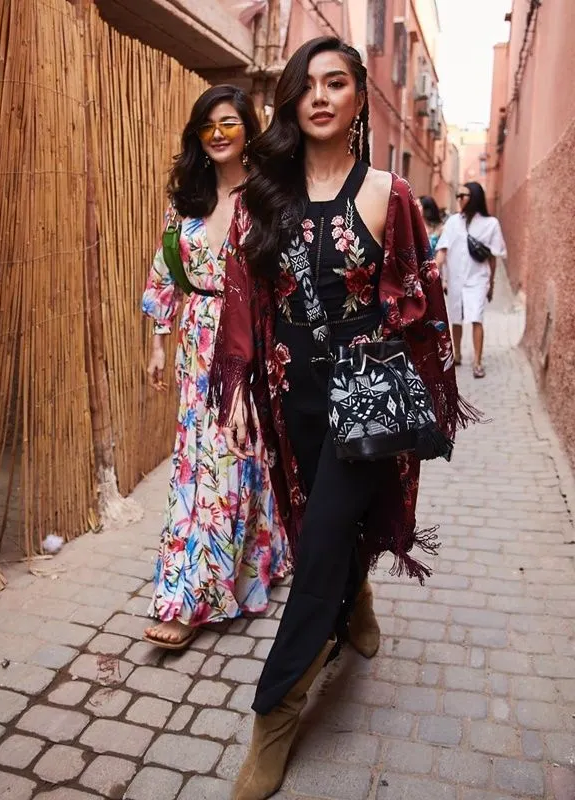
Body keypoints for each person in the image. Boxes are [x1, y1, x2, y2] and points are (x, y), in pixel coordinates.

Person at [210, 37, 475, 800]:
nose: (320, 96)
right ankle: (354, 596)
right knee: (315, 529)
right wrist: (238, 390)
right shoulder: (264, 193)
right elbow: (242, 292)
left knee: (321, 542)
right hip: (289, 385)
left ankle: (274, 717)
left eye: (336, 83)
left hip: (365, 394)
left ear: (359, 98)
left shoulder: (390, 193)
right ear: (292, 100)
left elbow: (420, 293)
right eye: (308, 85)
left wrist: (411, 363)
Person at [141, 85, 290, 650]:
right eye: (208, 125)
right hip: (196, 344)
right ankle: (194, 589)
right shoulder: (187, 199)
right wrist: (159, 341)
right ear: (198, 136)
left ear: (248, 129)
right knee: (200, 463)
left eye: (229, 122)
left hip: (249, 341)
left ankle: (236, 573)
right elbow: (165, 273)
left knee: (241, 456)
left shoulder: (268, 195)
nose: (219, 133)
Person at [435, 181, 507, 378]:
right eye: (457, 196)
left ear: (474, 197)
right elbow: (443, 250)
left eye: (463, 196)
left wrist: (491, 284)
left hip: (478, 279)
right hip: (455, 279)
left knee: (476, 317)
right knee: (456, 318)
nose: (459, 199)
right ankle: (457, 355)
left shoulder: (491, 224)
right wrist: (434, 271)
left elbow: (493, 257)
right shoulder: (453, 222)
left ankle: (477, 362)